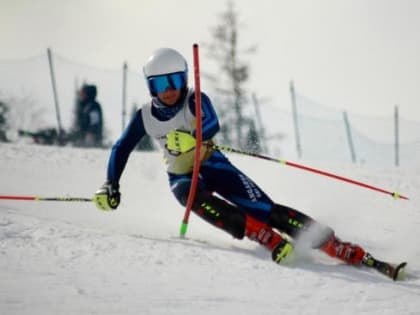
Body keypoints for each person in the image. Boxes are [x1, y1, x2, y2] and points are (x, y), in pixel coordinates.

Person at [92, 48, 379, 270]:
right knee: (191, 198)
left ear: (184, 79)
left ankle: (334, 245)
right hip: (182, 176)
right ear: (150, 87)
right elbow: (121, 147)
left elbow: (213, 123)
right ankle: (262, 235)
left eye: (175, 80)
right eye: (161, 83)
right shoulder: (145, 117)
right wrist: (111, 184)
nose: (169, 90)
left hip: (212, 163)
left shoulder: (195, 99)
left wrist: (195, 138)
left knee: (266, 209)